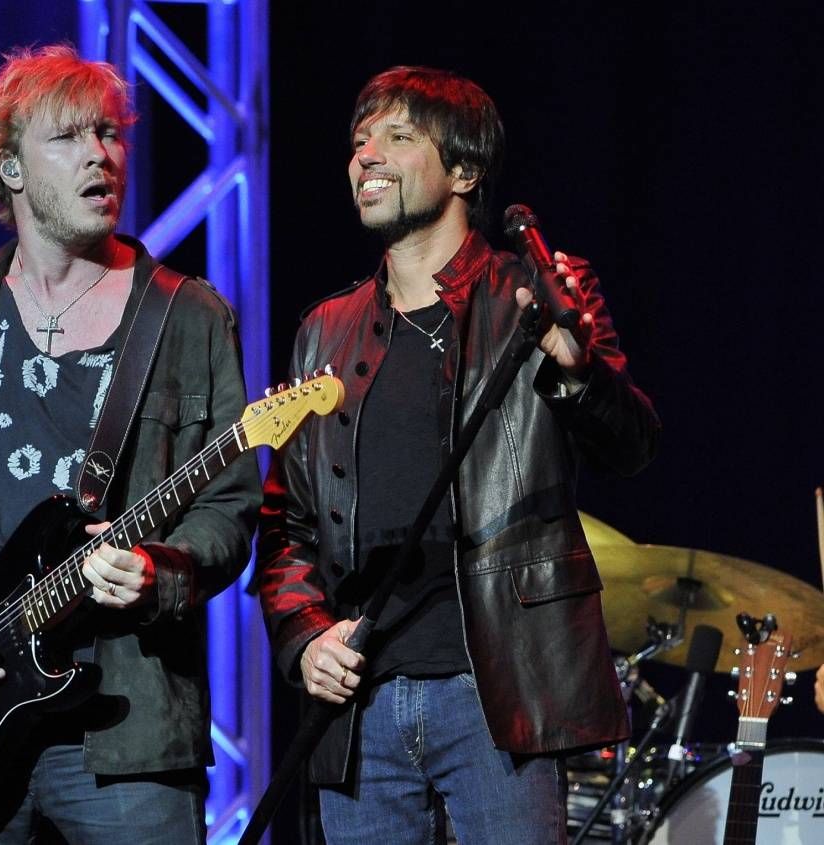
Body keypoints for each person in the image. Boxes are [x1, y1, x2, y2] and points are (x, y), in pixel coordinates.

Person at [0, 45, 260, 844]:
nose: (99, 155)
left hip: (131, 725)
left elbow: (230, 508)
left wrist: (159, 571)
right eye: (69, 137)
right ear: (10, 168)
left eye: (109, 133)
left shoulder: (188, 317)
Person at [256, 66, 661, 845]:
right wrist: (305, 636)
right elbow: (286, 526)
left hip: (497, 694)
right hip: (361, 705)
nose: (366, 156)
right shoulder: (324, 331)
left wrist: (578, 372)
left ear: (465, 171)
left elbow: (633, 446)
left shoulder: (534, 296)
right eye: (359, 141)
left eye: (398, 137)